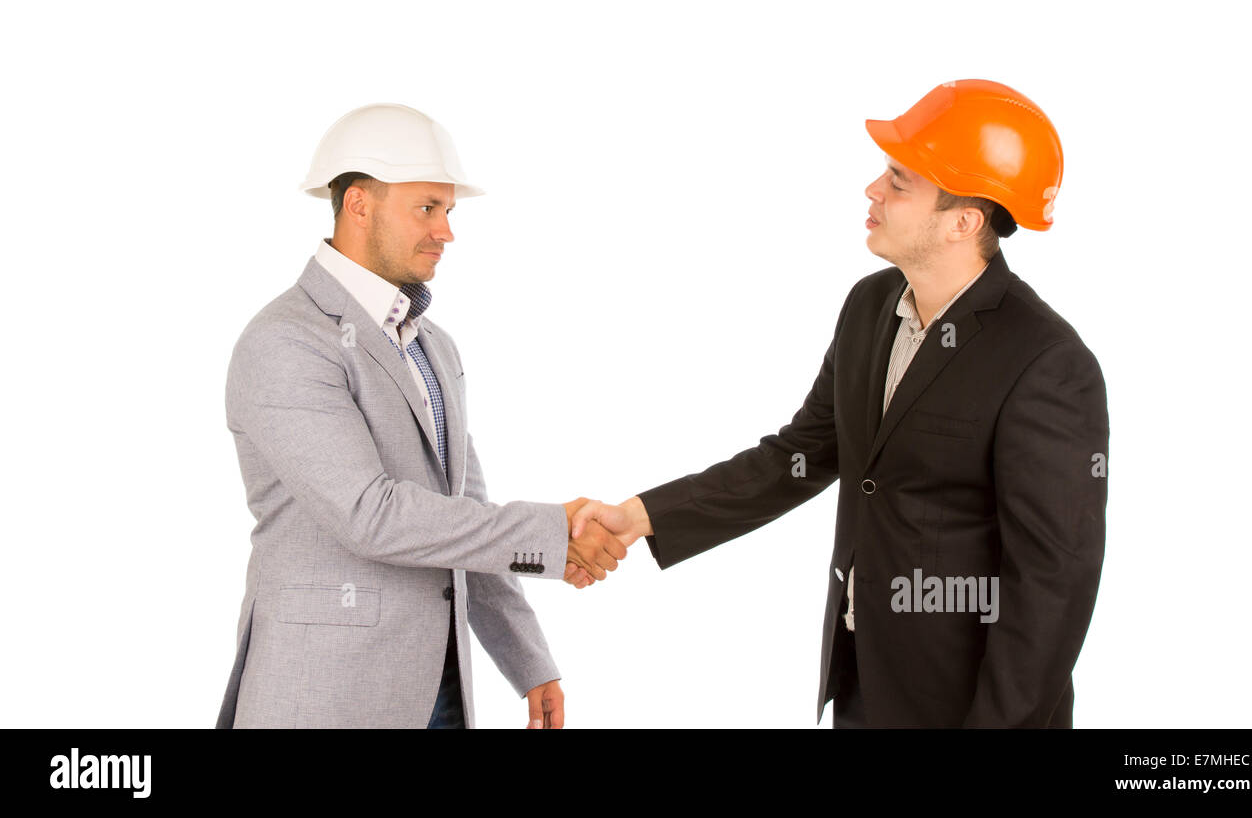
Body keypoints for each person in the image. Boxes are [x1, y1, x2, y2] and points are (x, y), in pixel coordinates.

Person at [569, 80, 1109, 728]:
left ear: (963, 220)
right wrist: (640, 516)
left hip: (970, 709)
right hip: (863, 685)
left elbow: (1052, 588)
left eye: (899, 180)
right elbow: (798, 456)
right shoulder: (870, 306)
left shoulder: (1047, 364)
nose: (872, 190)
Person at [216, 103, 626, 729]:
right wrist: (553, 533)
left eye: (448, 211)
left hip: (439, 694)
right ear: (359, 204)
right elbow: (370, 515)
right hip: (325, 700)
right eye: (427, 208)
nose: (446, 231)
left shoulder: (433, 345)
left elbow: (465, 515)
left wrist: (528, 659)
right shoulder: (285, 342)